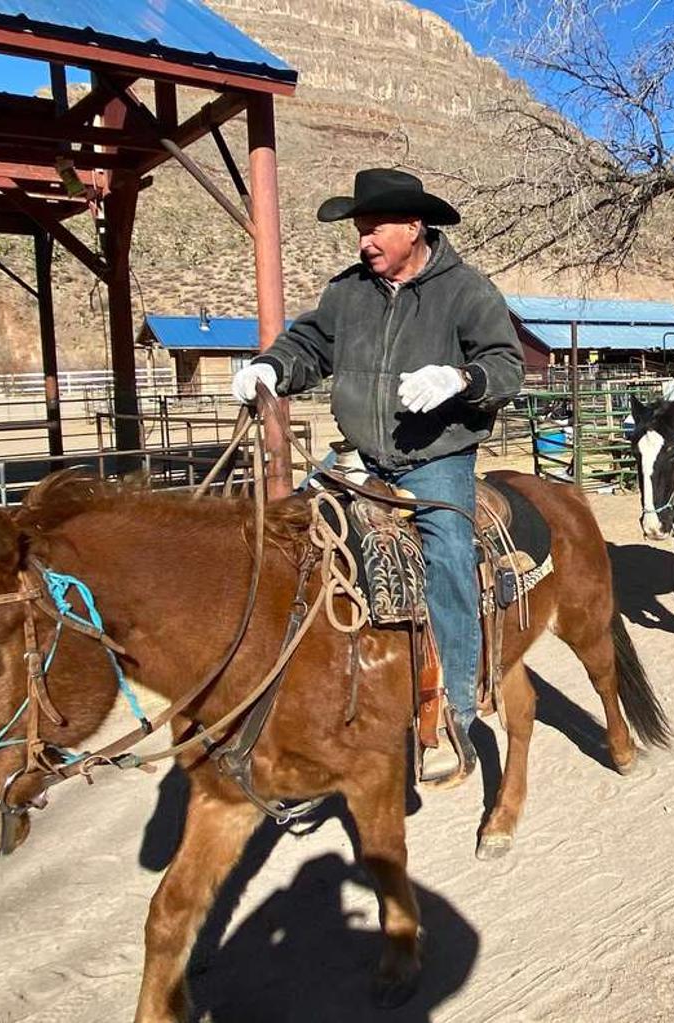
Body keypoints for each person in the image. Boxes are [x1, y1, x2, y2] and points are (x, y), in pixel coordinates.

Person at [229, 168, 522, 787]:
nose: (363, 241)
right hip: (360, 455)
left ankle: (458, 708)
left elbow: (504, 361)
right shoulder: (348, 293)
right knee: (289, 536)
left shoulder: (466, 291)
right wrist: (271, 367)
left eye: (373, 229)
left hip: (436, 457)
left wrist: (462, 380)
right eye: (359, 230)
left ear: (414, 227)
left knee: (445, 549)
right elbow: (308, 345)